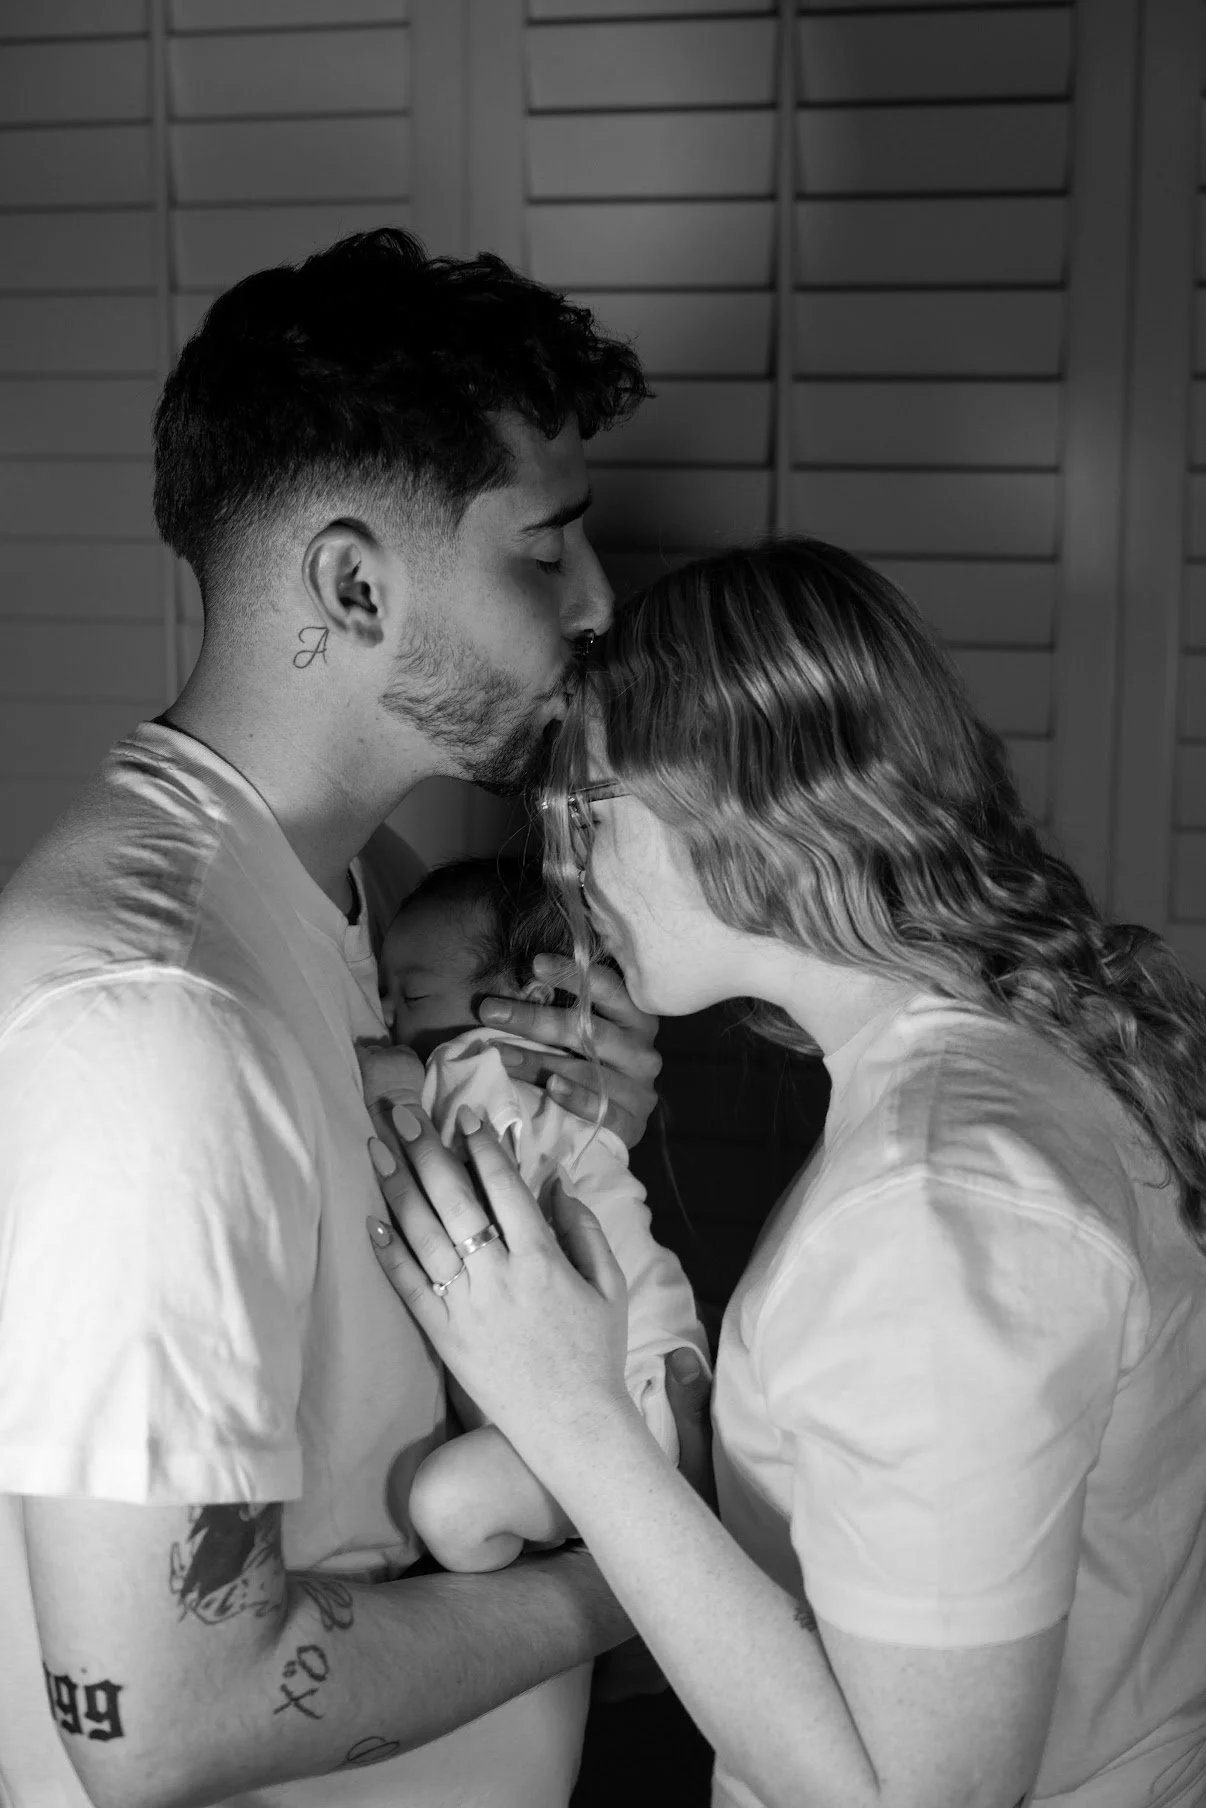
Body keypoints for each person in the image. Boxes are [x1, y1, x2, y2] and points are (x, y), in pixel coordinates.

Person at [0, 227, 710, 1808]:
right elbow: (157, 1717)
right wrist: (651, 1566)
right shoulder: (150, 1021)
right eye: (545, 548)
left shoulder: (357, 895)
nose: (601, 602)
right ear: (350, 583)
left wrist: (561, 1149)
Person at [364, 538, 1206, 1808]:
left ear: (742, 799)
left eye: (584, 815)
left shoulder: (938, 1203)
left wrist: (577, 1418)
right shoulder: (996, 1074)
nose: (568, 872)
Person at [376, 853, 707, 1573]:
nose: (391, 1020)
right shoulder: (569, 1096)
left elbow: (455, 1176)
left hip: (616, 1398)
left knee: (450, 1504)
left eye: (413, 995)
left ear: (522, 994)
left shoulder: (477, 1062)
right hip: (649, 1390)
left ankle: (610, 1584)